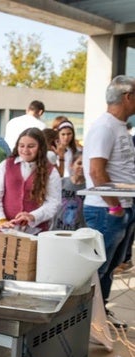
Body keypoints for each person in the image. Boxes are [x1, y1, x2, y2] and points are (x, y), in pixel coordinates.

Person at [82, 75, 135, 329]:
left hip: (120, 206)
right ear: (128, 97)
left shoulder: (118, 126)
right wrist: (114, 206)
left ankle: (101, 315)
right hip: (106, 210)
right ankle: (90, 323)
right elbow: (96, 171)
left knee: (111, 267)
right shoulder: (104, 127)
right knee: (98, 269)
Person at [0, 127, 61, 235]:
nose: (25, 150)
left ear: (40, 147)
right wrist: (1, 220)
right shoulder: (6, 165)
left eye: (31, 146)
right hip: (6, 230)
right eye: (22, 146)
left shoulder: (51, 171)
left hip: (36, 231)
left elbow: (54, 202)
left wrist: (33, 216)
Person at [52, 151, 86, 230]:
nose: (82, 167)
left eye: (86, 164)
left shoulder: (89, 188)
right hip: (57, 230)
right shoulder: (61, 182)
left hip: (79, 232)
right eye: (79, 163)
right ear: (71, 165)